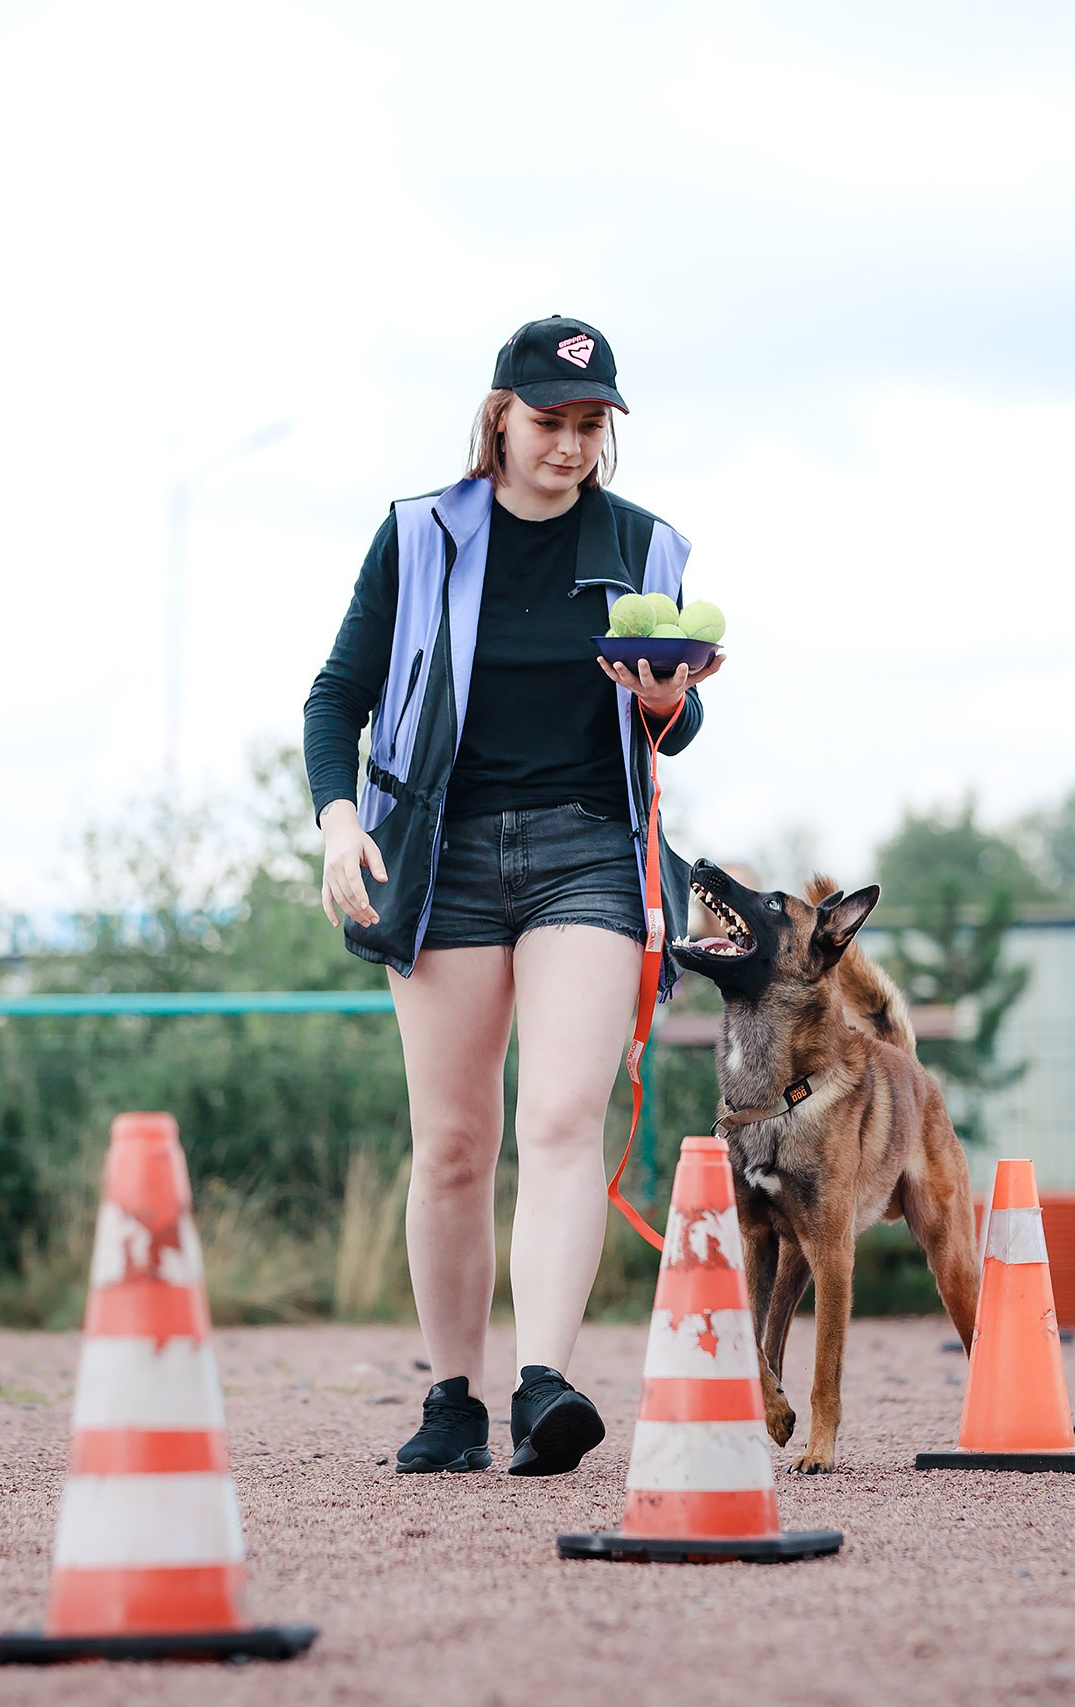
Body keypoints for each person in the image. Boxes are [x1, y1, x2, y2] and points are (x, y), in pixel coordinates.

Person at [303, 317, 720, 1476]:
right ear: (499, 415)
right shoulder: (419, 535)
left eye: (592, 426)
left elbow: (677, 725)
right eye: (551, 421)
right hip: (438, 857)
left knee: (559, 1121)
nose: (572, 445)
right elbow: (336, 696)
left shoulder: (649, 547)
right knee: (451, 1143)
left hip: (588, 851)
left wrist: (661, 704)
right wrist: (340, 821)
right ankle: (451, 1398)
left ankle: (543, 1384)